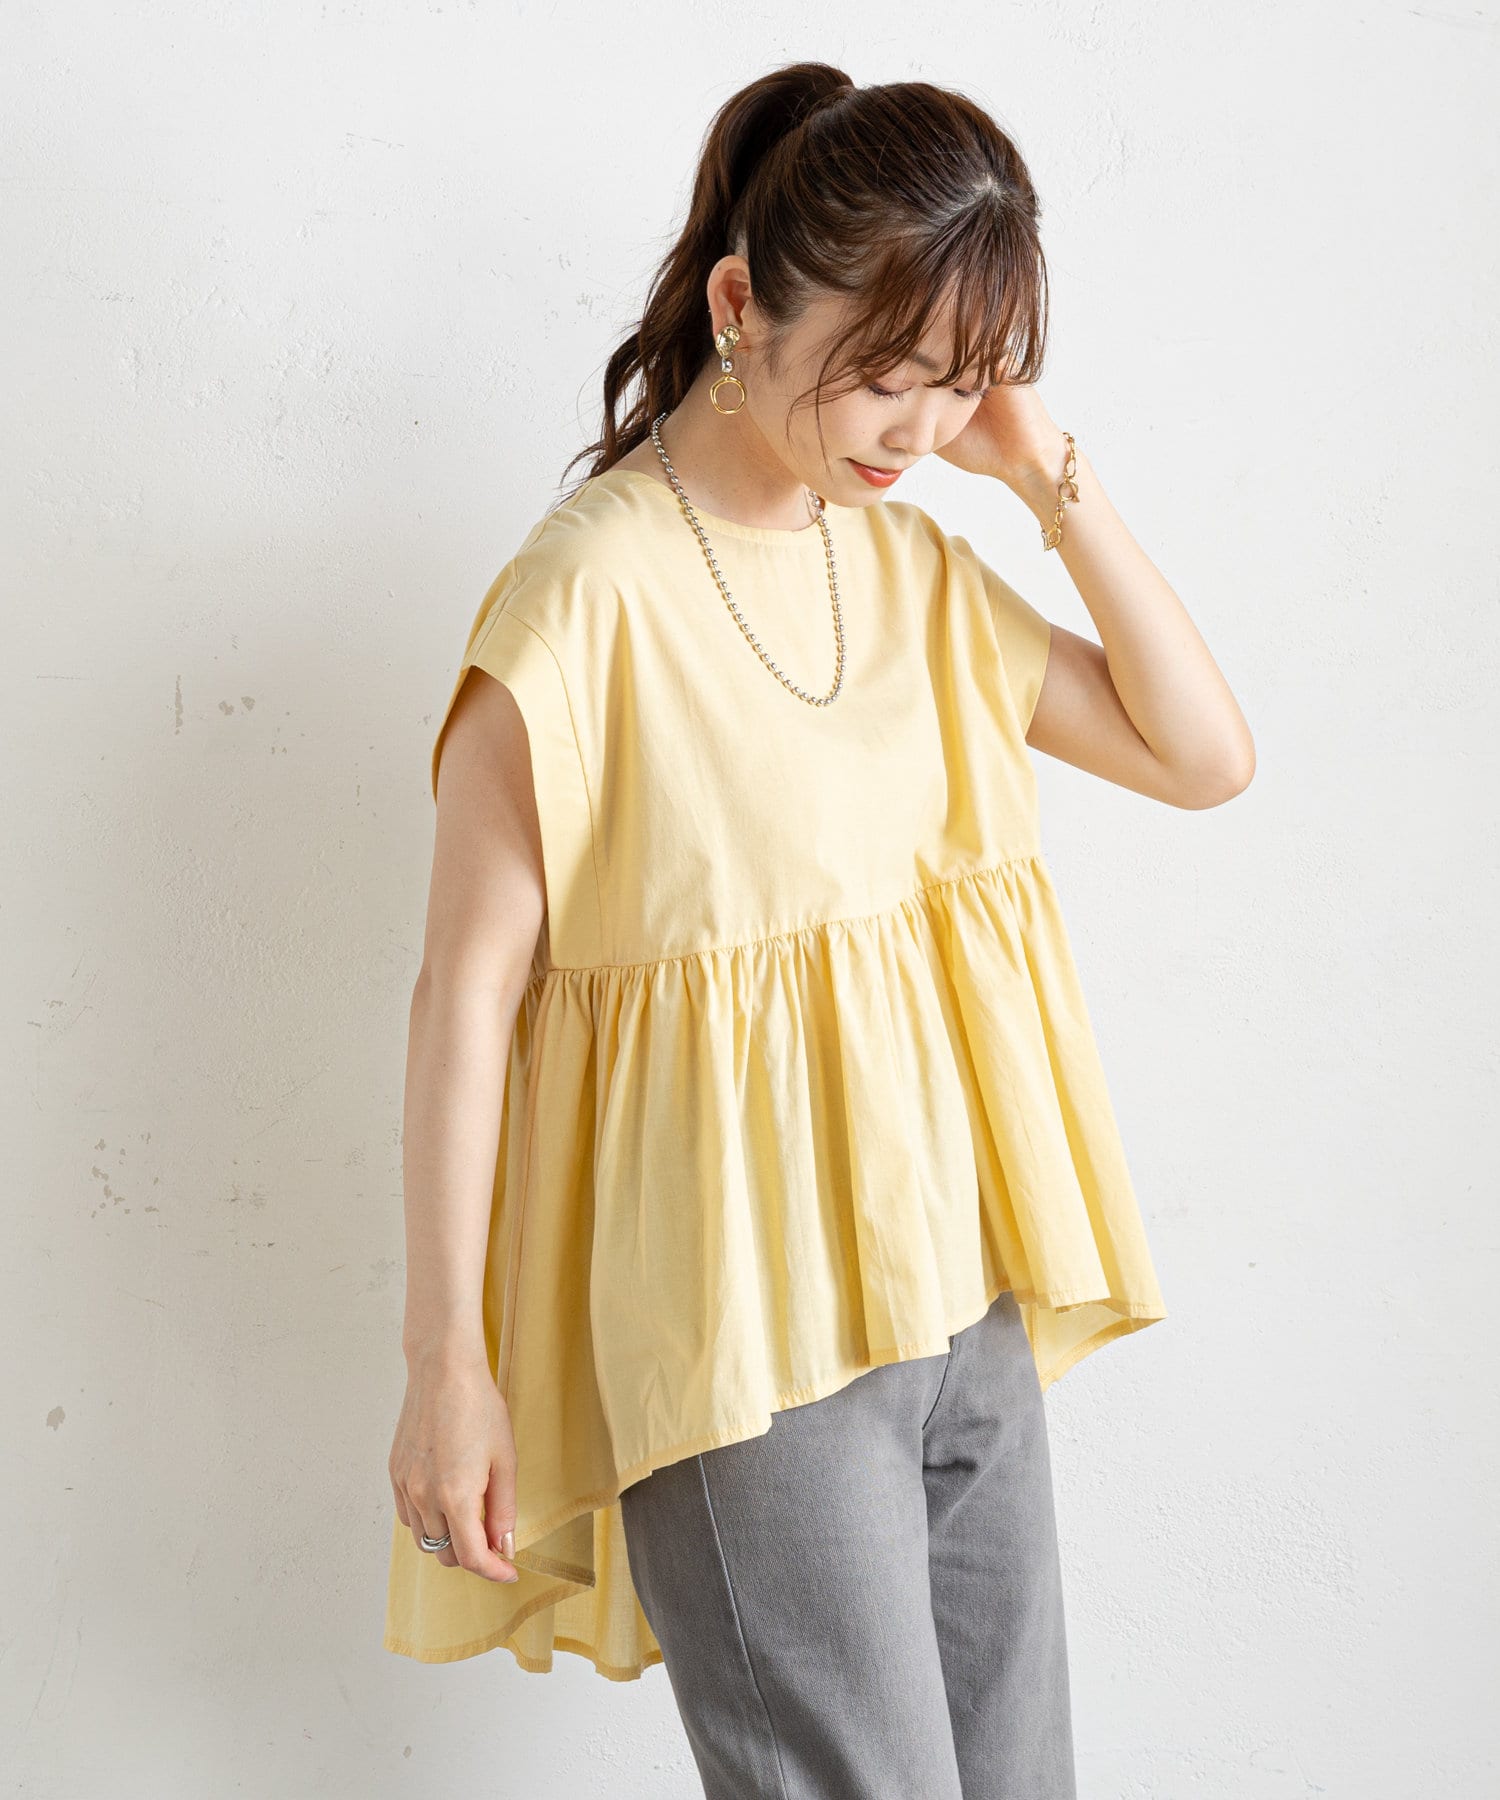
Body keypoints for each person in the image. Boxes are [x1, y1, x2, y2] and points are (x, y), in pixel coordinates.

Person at [384, 60, 1254, 1799]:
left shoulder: (912, 569)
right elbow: (465, 999)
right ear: (739, 305)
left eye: (958, 384)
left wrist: (1043, 469)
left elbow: (1202, 756)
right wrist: (445, 1366)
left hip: (963, 1309)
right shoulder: (586, 595)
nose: (914, 433)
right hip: (738, 1347)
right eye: (884, 372)